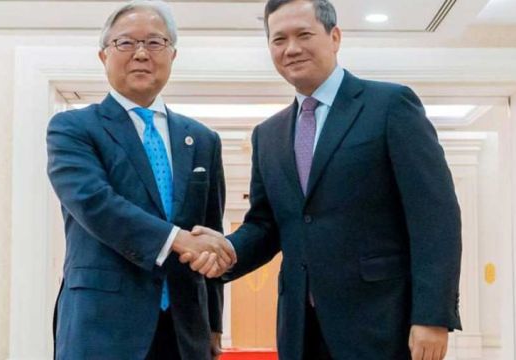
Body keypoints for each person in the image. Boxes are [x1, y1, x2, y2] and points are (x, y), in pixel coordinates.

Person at [186, 0, 462, 359]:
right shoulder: (267, 135)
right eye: (279, 39)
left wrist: (432, 316)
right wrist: (226, 250)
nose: (292, 48)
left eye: (304, 34)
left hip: (382, 323)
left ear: (335, 37)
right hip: (300, 328)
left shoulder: (390, 106)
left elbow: (435, 217)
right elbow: (267, 224)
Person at [46, 1, 236, 359]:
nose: (140, 54)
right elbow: (94, 203)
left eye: (154, 43)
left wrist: (213, 323)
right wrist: (175, 240)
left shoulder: (202, 139)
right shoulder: (73, 128)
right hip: (102, 325)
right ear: (103, 55)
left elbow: (208, 232)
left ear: (172, 55)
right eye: (125, 43)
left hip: (184, 330)